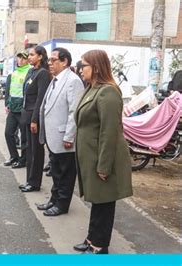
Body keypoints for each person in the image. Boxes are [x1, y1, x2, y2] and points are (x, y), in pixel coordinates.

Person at [73, 49, 132, 254]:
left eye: (84, 65)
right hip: (91, 156)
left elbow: (110, 132)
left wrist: (104, 166)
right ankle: (92, 239)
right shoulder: (92, 89)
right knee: (97, 201)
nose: (80, 70)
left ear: (96, 67)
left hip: (102, 157)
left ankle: (100, 246)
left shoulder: (108, 92)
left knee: (104, 203)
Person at [37, 47, 84, 216]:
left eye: (53, 60)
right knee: (56, 171)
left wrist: (69, 136)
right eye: (49, 60)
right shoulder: (56, 79)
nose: (49, 63)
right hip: (52, 136)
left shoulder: (73, 81)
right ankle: (54, 200)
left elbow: (74, 111)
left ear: (64, 62)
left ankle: (62, 204)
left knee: (65, 173)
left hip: (64, 137)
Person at [19, 45, 51, 193]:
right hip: (25, 114)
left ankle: (34, 182)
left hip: (34, 116)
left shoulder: (43, 73)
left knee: (36, 151)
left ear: (40, 56)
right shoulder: (31, 71)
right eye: (29, 55)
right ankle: (29, 180)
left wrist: (34, 120)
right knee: (28, 149)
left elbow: (40, 98)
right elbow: (26, 94)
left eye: (32, 55)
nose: (29, 57)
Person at [4, 51, 31, 169]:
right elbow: (9, 90)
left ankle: (23, 160)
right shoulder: (14, 73)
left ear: (27, 60)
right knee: (8, 133)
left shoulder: (29, 72)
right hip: (13, 108)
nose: (19, 60)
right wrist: (7, 104)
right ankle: (14, 156)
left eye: (22, 58)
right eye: (18, 58)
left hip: (23, 109)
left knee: (24, 136)